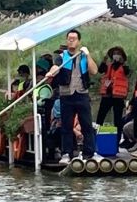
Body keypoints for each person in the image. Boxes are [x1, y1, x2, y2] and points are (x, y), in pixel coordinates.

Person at [46, 29, 98, 163]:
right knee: (66, 126)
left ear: (78, 41)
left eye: (74, 38)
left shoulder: (83, 56)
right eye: (69, 38)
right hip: (66, 95)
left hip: (82, 94)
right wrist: (51, 73)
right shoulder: (62, 57)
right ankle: (66, 153)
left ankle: (89, 154)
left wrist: (88, 55)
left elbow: (94, 71)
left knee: (86, 125)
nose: (71, 40)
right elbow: (55, 67)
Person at [96, 46, 130, 144]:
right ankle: (97, 138)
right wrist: (104, 60)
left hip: (118, 97)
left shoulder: (124, 67)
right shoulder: (108, 66)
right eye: (115, 53)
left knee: (117, 120)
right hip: (107, 96)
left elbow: (127, 72)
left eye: (118, 53)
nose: (116, 55)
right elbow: (100, 70)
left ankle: (116, 140)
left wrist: (121, 62)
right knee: (100, 117)